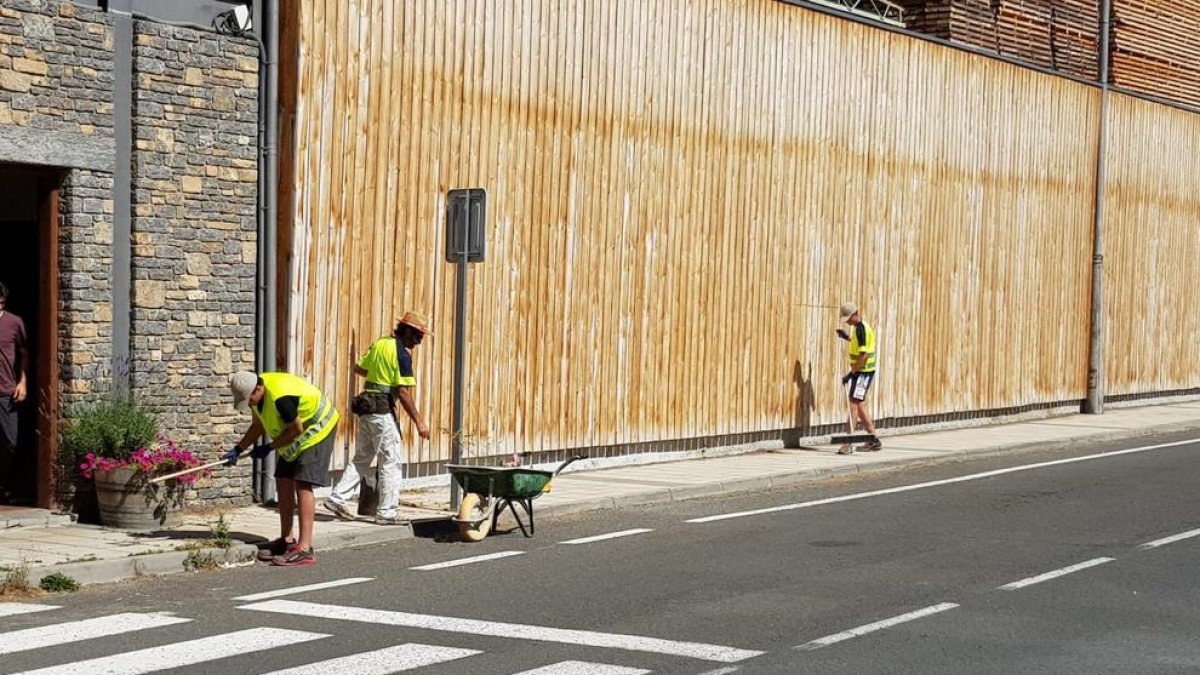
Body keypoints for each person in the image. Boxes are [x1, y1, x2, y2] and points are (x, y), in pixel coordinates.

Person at [325, 311, 432, 525]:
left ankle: (338, 498)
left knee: (363, 456)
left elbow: (359, 368)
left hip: (366, 407)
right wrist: (419, 422)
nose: (419, 342)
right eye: (418, 336)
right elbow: (403, 392)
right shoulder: (402, 354)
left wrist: (379, 379)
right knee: (390, 461)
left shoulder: (380, 343)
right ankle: (387, 512)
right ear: (408, 331)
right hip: (382, 409)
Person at [224, 370, 339, 567]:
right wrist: (238, 448)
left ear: (258, 389)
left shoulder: (281, 398)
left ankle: (305, 549)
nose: (249, 403)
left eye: (250, 398)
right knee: (283, 479)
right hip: (296, 431)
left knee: (303, 483)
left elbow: (296, 429)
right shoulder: (257, 395)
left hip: (318, 425)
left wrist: (269, 447)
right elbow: (258, 426)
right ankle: (287, 540)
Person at [836, 302, 881, 454]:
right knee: (859, 405)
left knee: (853, 405)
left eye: (848, 319)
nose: (847, 322)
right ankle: (873, 439)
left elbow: (864, 355)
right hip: (862, 371)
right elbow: (860, 344)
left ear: (855, 314)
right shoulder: (858, 328)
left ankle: (848, 443)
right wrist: (847, 337)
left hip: (862, 372)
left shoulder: (861, 329)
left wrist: (851, 373)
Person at [0, 283, 27, 504]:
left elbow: (24, 352)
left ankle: (5, 485)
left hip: (6, 391)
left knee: (10, 442)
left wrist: (23, 382)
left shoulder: (14, 322)